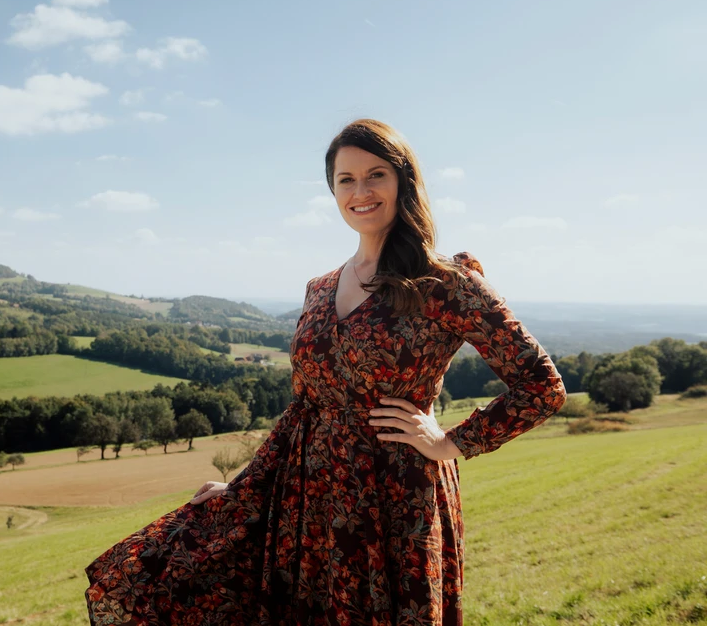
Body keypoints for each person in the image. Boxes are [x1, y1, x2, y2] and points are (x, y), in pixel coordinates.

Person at [84, 118, 567, 625]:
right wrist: (244, 485)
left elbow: (542, 386)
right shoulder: (319, 288)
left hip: (394, 502)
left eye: (375, 174)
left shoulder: (444, 283)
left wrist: (452, 442)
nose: (361, 191)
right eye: (346, 179)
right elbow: (304, 408)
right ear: (333, 189)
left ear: (404, 181)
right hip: (307, 502)